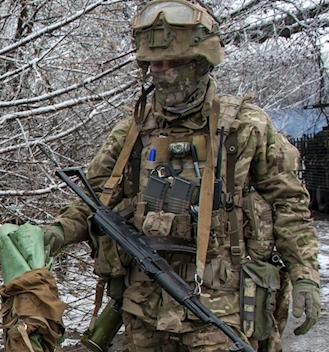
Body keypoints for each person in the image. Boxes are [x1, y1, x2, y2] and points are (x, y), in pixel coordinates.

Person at [41, 1, 320, 351]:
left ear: (202, 63)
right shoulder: (134, 130)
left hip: (221, 309)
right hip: (145, 308)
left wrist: (305, 275)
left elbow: (289, 204)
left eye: (175, 63)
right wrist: (56, 233)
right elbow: (94, 199)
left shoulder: (245, 128)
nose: (163, 72)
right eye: (155, 64)